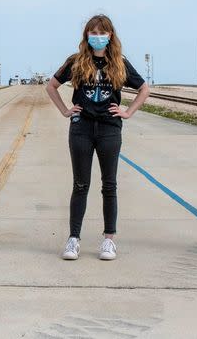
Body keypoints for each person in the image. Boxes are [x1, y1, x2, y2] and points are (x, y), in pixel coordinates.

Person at [46, 14, 150, 260]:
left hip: (109, 129)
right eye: (93, 33)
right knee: (80, 184)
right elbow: (51, 86)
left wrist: (127, 112)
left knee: (109, 184)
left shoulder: (119, 63)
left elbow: (144, 89)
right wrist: (65, 110)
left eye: (102, 33)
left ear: (110, 36)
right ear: (86, 36)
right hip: (81, 127)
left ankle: (109, 240)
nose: (97, 38)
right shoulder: (76, 61)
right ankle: (73, 239)